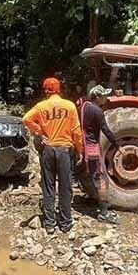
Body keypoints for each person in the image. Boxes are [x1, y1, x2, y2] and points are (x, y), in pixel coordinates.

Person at [23, 77, 83, 234]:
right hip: (64, 150)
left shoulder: (41, 106)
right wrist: (80, 150)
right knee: (65, 187)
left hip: (48, 149)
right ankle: (65, 222)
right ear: (59, 89)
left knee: (48, 186)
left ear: (46, 90)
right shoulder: (69, 106)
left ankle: (49, 223)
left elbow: (26, 119)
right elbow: (76, 131)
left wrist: (39, 131)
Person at [79, 84, 121, 225]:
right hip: (92, 148)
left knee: (89, 174)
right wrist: (116, 145)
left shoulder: (83, 107)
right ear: (98, 97)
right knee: (102, 179)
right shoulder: (97, 111)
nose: (106, 98)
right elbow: (106, 130)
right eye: (104, 95)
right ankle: (104, 213)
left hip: (82, 145)